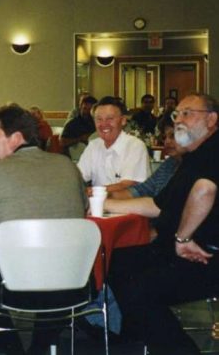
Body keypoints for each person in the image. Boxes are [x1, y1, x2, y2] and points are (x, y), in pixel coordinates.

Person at [0, 105, 87, 353]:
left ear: (16, 138)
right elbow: (83, 207)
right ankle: (41, 345)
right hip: (73, 282)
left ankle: (9, 346)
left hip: (15, 285)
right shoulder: (68, 166)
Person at [108, 93, 219, 355]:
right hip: (182, 249)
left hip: (206, 255)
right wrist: (104, 204)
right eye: (176, 115)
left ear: (212, 119)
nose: (179, 120)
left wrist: (183, 239)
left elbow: (204, 190)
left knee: (140, 290)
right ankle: (139, 336)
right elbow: (158, 205)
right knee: (115, 261)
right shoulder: (191, 157)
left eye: (188, 114)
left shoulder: (212, 152)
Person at [77, 96, 150, 193]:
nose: (103, 124)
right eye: (99, 119)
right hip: (98, 204)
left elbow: (126, 185)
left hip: (128, 205)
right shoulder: (94, 145)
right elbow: (78, 177)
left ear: (123, 120)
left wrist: (91, 192)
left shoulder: (135, 146)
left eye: (110, 119)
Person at [108, 119, 184, 200]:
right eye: (164, 137)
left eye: (173, 136)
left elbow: (162, 205)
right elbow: (141, 190)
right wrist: (103, 195)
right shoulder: (169, 163)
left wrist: (107, 203)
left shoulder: (194, 168)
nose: (167, 141)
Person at [61, 94, 97, 159]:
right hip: (76, 158)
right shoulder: (72, 123)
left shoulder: (97, 123)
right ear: (80, 107)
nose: (87, 112)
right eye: (85, 109)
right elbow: (62, 142)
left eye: (90, 110)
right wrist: (80, 138)